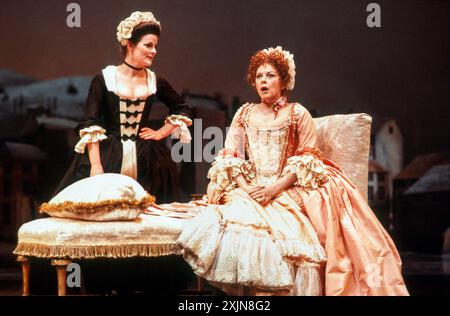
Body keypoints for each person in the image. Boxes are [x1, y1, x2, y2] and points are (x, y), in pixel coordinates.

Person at [176, 46, 409, 296]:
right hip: (250, 187)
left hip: (284, 187)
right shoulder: (243, 114)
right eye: (259, 76)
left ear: (284, 80)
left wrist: (274, 188)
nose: (263, 81)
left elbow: (306, 159)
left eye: (270, 75)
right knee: (233, 223)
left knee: (290, 236)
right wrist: (248, 188)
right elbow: (230, 156)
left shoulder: (298, 114)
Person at [56, 11, 192, 203]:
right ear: (129, 44)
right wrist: (96, 166)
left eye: (155, 46)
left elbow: (181, 107)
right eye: (148, 45)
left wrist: (161, 133)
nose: (154, 51)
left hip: (146, 159)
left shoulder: (155, 81)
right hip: (109, 156)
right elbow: (90, 122)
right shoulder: (104, 79)